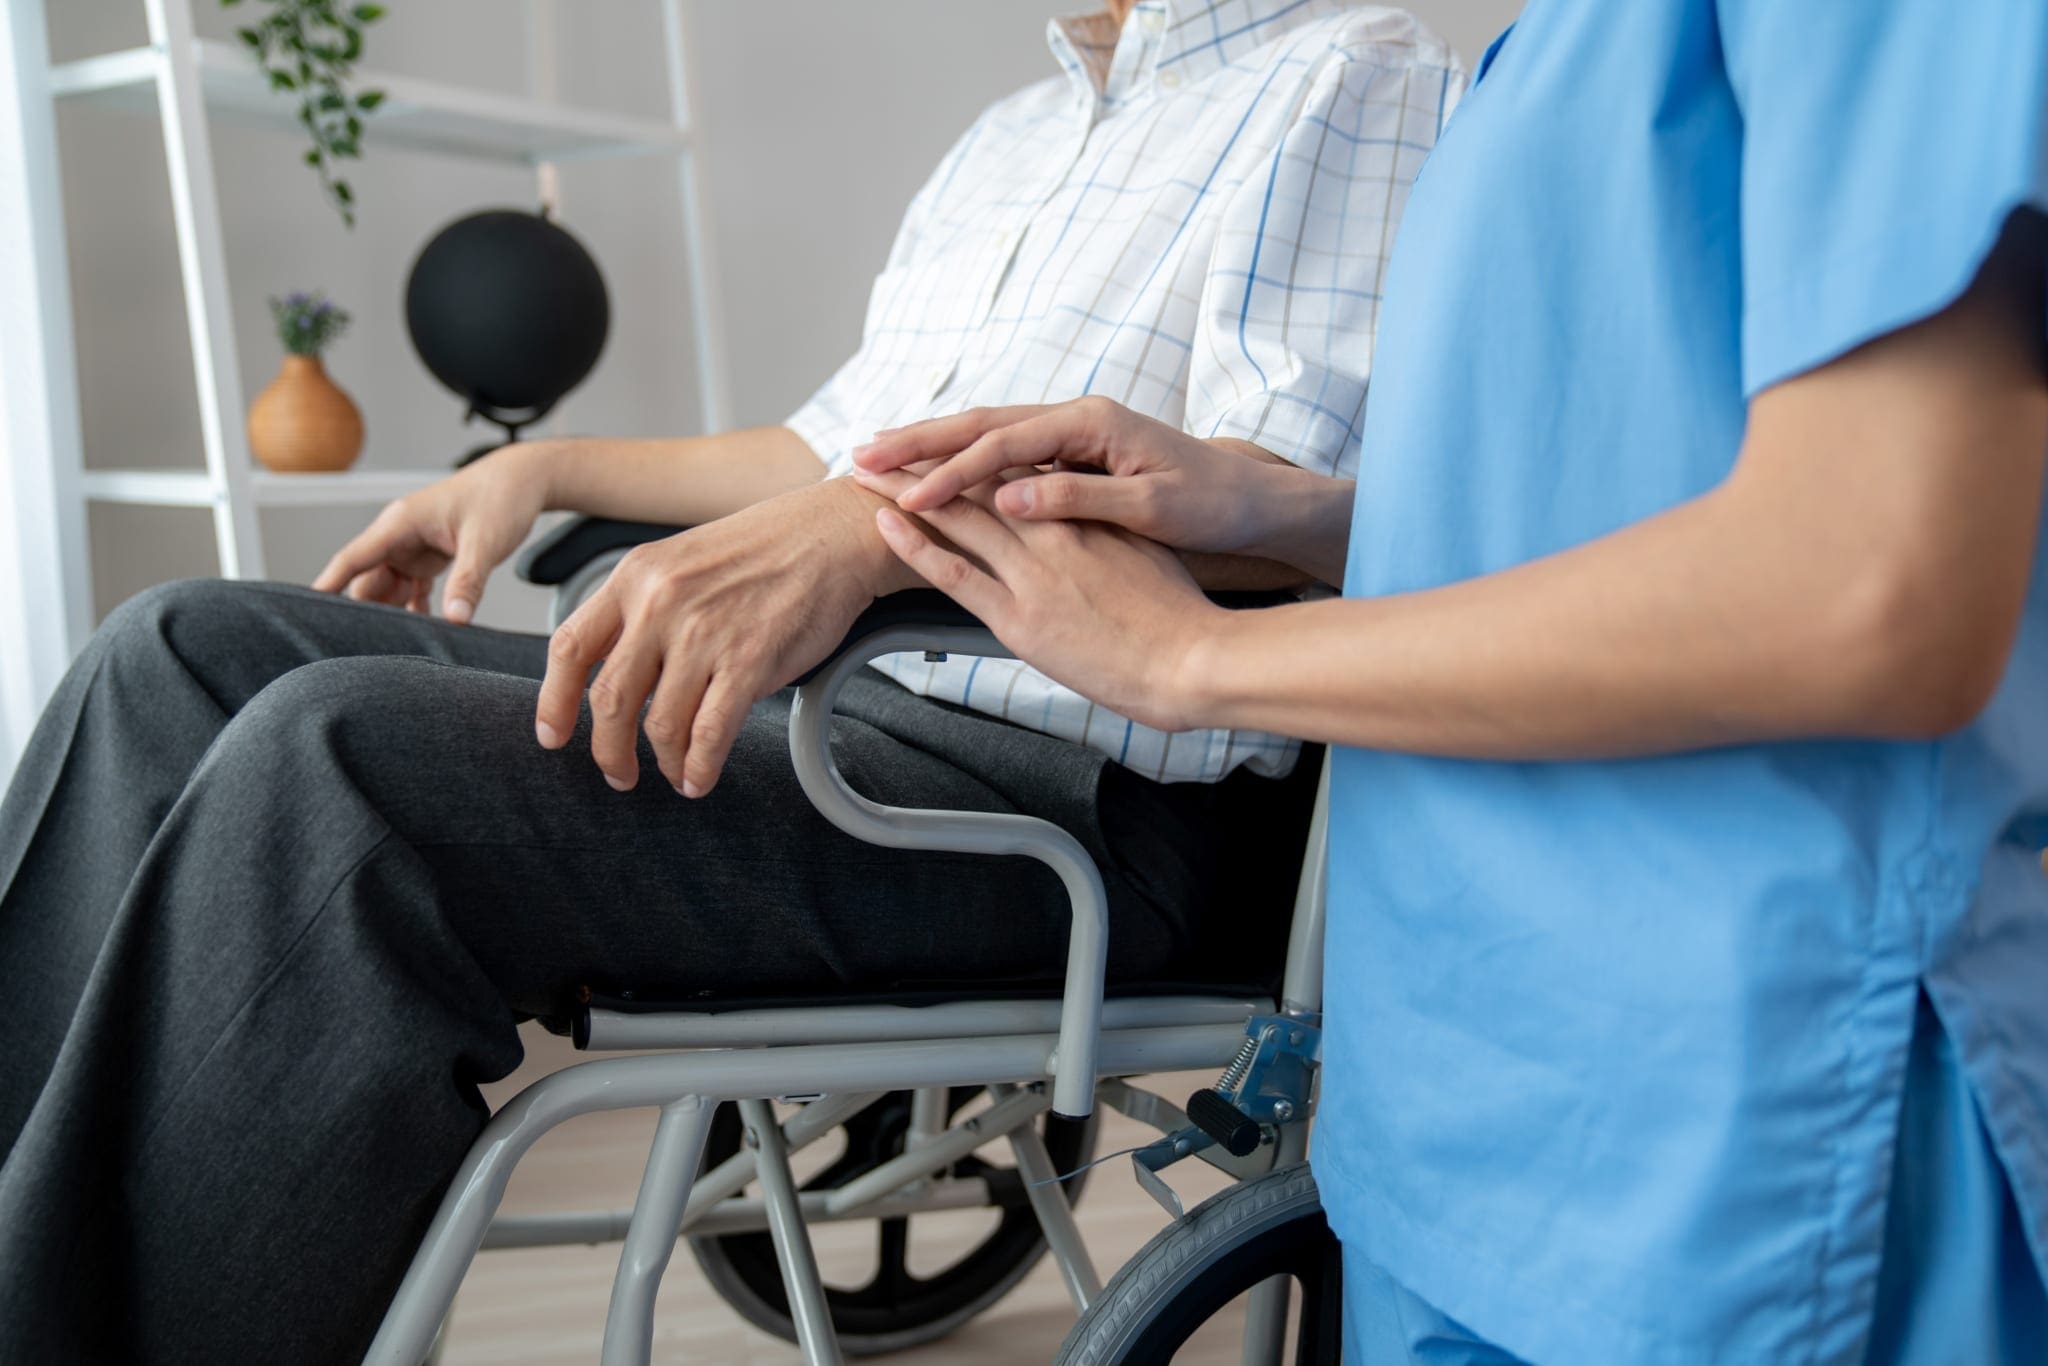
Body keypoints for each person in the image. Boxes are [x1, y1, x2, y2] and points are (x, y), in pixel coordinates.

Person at [0, 3, 1461, 1359]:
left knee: (341, 774)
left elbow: (1273, 500)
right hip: (841, 719)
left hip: (1076, 797)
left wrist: (865, 535)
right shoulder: (1009, 141)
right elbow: (828, 452)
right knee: (175, 652)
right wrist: (539, 466)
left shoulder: (1349, 74)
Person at [852, 2, 2048, 1361]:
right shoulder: (1552, 45)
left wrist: (1200, 659)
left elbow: (1866, 586)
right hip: (1457, 1082)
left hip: (1723, 1122)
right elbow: (1615, 492)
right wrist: (1285, 509)